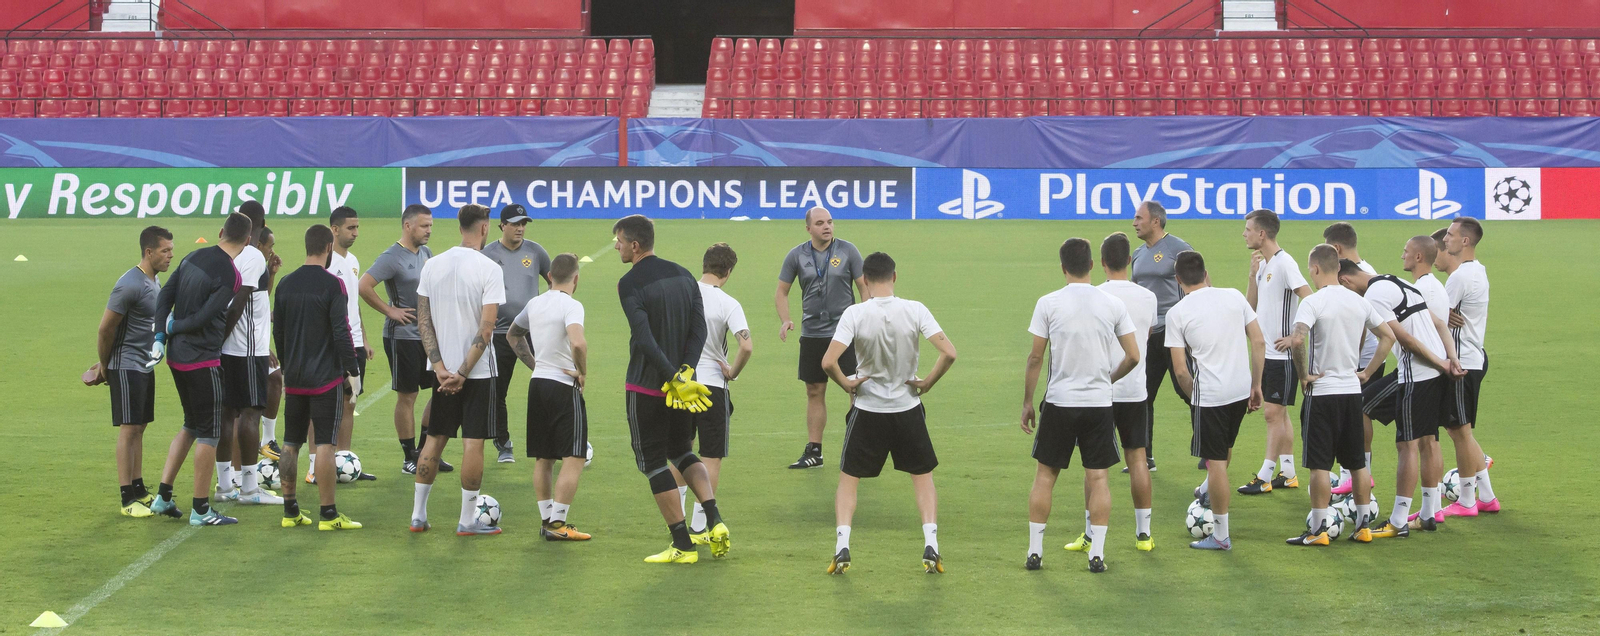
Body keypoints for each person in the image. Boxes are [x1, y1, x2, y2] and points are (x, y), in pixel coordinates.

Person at [824, 252, 957, 575]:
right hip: (907, 407)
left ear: (865, 281)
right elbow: (949, 353)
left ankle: (842, 545)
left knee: (848, 479)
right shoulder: (915, 310)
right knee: (922, 477)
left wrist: (847, 384)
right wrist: (926, 382)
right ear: (894, 277)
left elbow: (828, 362)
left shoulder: (855, 313)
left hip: (868, 409)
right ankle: (931, 543)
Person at [613, 214, 729, 564]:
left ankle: (682, 544)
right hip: (683, 386)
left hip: (647, 387)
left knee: (652, 462)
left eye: (619, 241)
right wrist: (685, 373)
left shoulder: (629, 282)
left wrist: (669, 376)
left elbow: (643, 337)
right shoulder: (684, 275)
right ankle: (715, 520)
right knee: (682, 451)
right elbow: (699, 330)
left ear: (635, 245)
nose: (616, 246)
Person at [1021, 239, 1139, 573]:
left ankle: (1035, 552)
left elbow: (1035, 357)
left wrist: (1028, 402)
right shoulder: (1112, 304)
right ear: (1092, 264)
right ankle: (1097, 554)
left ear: (1063, 267)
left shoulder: (1048, 303)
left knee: (1045, 476)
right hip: (1098, 403)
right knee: (1099, 478)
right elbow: (1133, 355)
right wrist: (1108, 379)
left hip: (1059, 401)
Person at [1338, 257, 1464, 538]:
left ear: (1345, 281)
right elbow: (1440, 323)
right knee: (1429, 440)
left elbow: (1401, 339)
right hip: (1436, 371)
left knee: (1406, 445)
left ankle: (1397, 521)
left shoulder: (1373, 296)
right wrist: (1449, 360)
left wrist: (1368, 373)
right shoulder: (1399, 282)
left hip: (1418, 374)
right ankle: (1429, 513)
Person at [149, 212, 255, 526]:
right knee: (209, 434)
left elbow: (165, 295)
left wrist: (161, 334)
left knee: (191, 425)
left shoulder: (194, 255)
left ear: (221, 231)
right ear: (247, 242)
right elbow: (205, 317)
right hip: (202, 360)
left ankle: (163, 496)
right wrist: (173, 326)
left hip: (176, 357)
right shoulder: (231, 275)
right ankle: (200, 509)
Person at [1281, 244, 1389, 546]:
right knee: (1357, 463)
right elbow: (1387, 336)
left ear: (1315, 269)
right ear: (1338, 269)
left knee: (1320, 464)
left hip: (1323, 393)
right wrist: (1366, 372)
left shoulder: (1313, 303)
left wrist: (1303, 376)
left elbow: (1298, 340)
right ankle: (1364, 526)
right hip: (1352, 393)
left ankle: (1318, 530)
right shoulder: (1358, 302)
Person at [409, 204, 506, 536]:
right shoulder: (489, 268)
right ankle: (466, 521)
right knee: (472, 444)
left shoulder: (431, 265)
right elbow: (487, 328)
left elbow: (423, 322)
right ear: (484, 229)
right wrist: (463, 372)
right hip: (476, 374)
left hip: (440, 371)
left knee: (434, 439)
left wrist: (439, 367)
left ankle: (418, 516)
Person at [1166, 251, 1266, 551]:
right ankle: (1209, 491)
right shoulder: (1234, 296)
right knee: (1224, 448)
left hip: (1211, 396)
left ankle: (1221, 535)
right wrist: (1256, 385)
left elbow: (1181, 371)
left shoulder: (1177, 313)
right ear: (1205, 273)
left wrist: (1194, 397)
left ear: (1178, 280)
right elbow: (1259, 341)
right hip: (1240, 390)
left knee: (1216, 461)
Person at [273, 225, 363, 531]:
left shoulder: (285, 284)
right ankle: (328, 514)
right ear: (328, 247)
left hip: (295, 379)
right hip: (325, 379)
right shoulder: (332, 284)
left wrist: (287, 368)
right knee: (326, 443)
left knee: (290, 443)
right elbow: (342, 331)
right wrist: (352, 371)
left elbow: (279, 332)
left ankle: (290, 510)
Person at [506, 253, 592, 541]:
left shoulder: (535, 303)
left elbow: (513, 335)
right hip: (562, 386)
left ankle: (546, 520)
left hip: (538, 384)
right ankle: (558, 525)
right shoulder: (572, 305)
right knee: (575, 456)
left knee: (544, 457)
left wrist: (535, 364)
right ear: (575, 278)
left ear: (551, 276)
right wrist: (582, 372)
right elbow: (578, 342)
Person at [88, 225, 174, 517]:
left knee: (140, 426)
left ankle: (139, 489)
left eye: (171, 250)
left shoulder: (153, 281)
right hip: (125, 364)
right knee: (128, 428)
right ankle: (127, 499)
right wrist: (105, 365)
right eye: (165, 250)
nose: (170, 255)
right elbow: (105, 329)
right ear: (149, 252)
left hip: (144, 364)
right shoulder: (129, 284)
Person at [362, 204, 452, 475]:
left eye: (431, 226)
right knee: (408, 395)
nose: (429, 231)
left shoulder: (426, 253)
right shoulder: (391, 257)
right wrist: (390, 310)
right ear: (408, 225)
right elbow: (364, 285)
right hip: (401, 337)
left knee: (441, 389)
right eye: (424, 226)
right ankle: (408, 457)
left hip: (428, 336)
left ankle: (426, 451)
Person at [776, 206, 865, 470]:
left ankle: (858, 446)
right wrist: (785, 319)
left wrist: (866, 319)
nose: (826, 226)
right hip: (812, 333)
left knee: (856, 388)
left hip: (845, 333)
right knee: (814, 390)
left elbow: (863, 287)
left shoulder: (848, 251)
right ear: (808, 228)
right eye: (820, 223)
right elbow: (781, 292)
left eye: (829, 222)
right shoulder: (796, 255)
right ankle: (815, 452)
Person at [1089, 232, 1159, 551]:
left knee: (1095, 465)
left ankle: (1090, 534)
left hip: (1102, 390)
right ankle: (1143, 534)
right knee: (1138, 459)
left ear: (1101, 263)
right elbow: (1143, 337)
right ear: (1129, 261)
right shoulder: (1148, 297)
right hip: (1135, 389)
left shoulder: (1094, 297)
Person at [682, 243, 752, 542]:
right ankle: (699, 525)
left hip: (681, 383)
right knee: (710, 456)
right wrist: (732, 372)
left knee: (681, 453)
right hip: (712, 385)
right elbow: (746, 345)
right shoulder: (728, 303)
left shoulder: (683, 295)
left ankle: (675, 520)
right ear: (728, 271)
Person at [1240, 209, 1310, 495]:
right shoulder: (1266, 265)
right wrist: (1252, 275)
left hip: (1282, 357)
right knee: (1279, 415)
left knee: (1272, 414)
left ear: (1262, 233)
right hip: (1267, 354)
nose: (1243, 234)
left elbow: (1308, 296)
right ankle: (1289, 472)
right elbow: (1251, 307)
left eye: (1247, 229)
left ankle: (1265, 475)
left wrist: (1297, 335)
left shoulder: (1285, 263)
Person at [217, 204, 282, 505]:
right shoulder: (253, 254)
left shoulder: (223, 254)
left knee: (227, 414)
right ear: (261, 224)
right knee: (250, 414)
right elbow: (241, 302)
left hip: (227, 348)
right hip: (246, 347)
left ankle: (224, 485)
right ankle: (250, 489)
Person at [1437, 218, 1500, 517]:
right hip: (1472, 357)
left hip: (1460, 362)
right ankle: (1486, 496)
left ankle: (1466, 500)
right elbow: (1444, 313)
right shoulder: (1478, 271)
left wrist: (1440, 314)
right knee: (1458, 429)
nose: (1445, 240)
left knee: (1459, 431)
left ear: (1465, 241)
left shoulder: (1460, 276)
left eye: (1450, 235)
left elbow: (1434, 318)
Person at [481, 204, 552, 463]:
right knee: (498, 391)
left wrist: (550, 310)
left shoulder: (536, 252)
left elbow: (556, 282)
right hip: (499, 334)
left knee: (551, 383)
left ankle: (554, 438)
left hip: (533, 331)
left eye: (524, 223)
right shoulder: (487, 254)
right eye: (515, 223)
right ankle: (503, 444)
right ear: (502, 226)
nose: (520, 228)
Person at [1129, 201, 1193, 472]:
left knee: (1187, 389)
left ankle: (1209, 449)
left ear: (1155, 221)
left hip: (1174, 333)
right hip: (1148, 335)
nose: (1134, 222)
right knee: (1143, 394)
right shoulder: (1137, 254)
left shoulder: (1178, 248)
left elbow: (1201, 284)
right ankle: (1145, 457)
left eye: (1138, 217)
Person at [1322, 222, 1382, 496]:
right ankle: (1354, 472)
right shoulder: (1368, 271)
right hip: (1367, 355)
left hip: (1359, 357)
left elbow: (1359, 324)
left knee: (1355, 414)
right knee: (1356, 413)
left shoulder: (1350, 279)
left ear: (1336, 248)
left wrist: (1351, 359)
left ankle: (1357, 473)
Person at [324, 206, 376, 479]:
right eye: (350, 228)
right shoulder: (327, 262)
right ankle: (318, 464)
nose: (356, 232)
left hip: (354, 341)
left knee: (350, 402)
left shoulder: (353, 260)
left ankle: (344, 462)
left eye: (357, 227)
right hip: (334, 342)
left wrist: (364, 338)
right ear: (334, 229)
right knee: (326, 404)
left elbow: (353, 305)